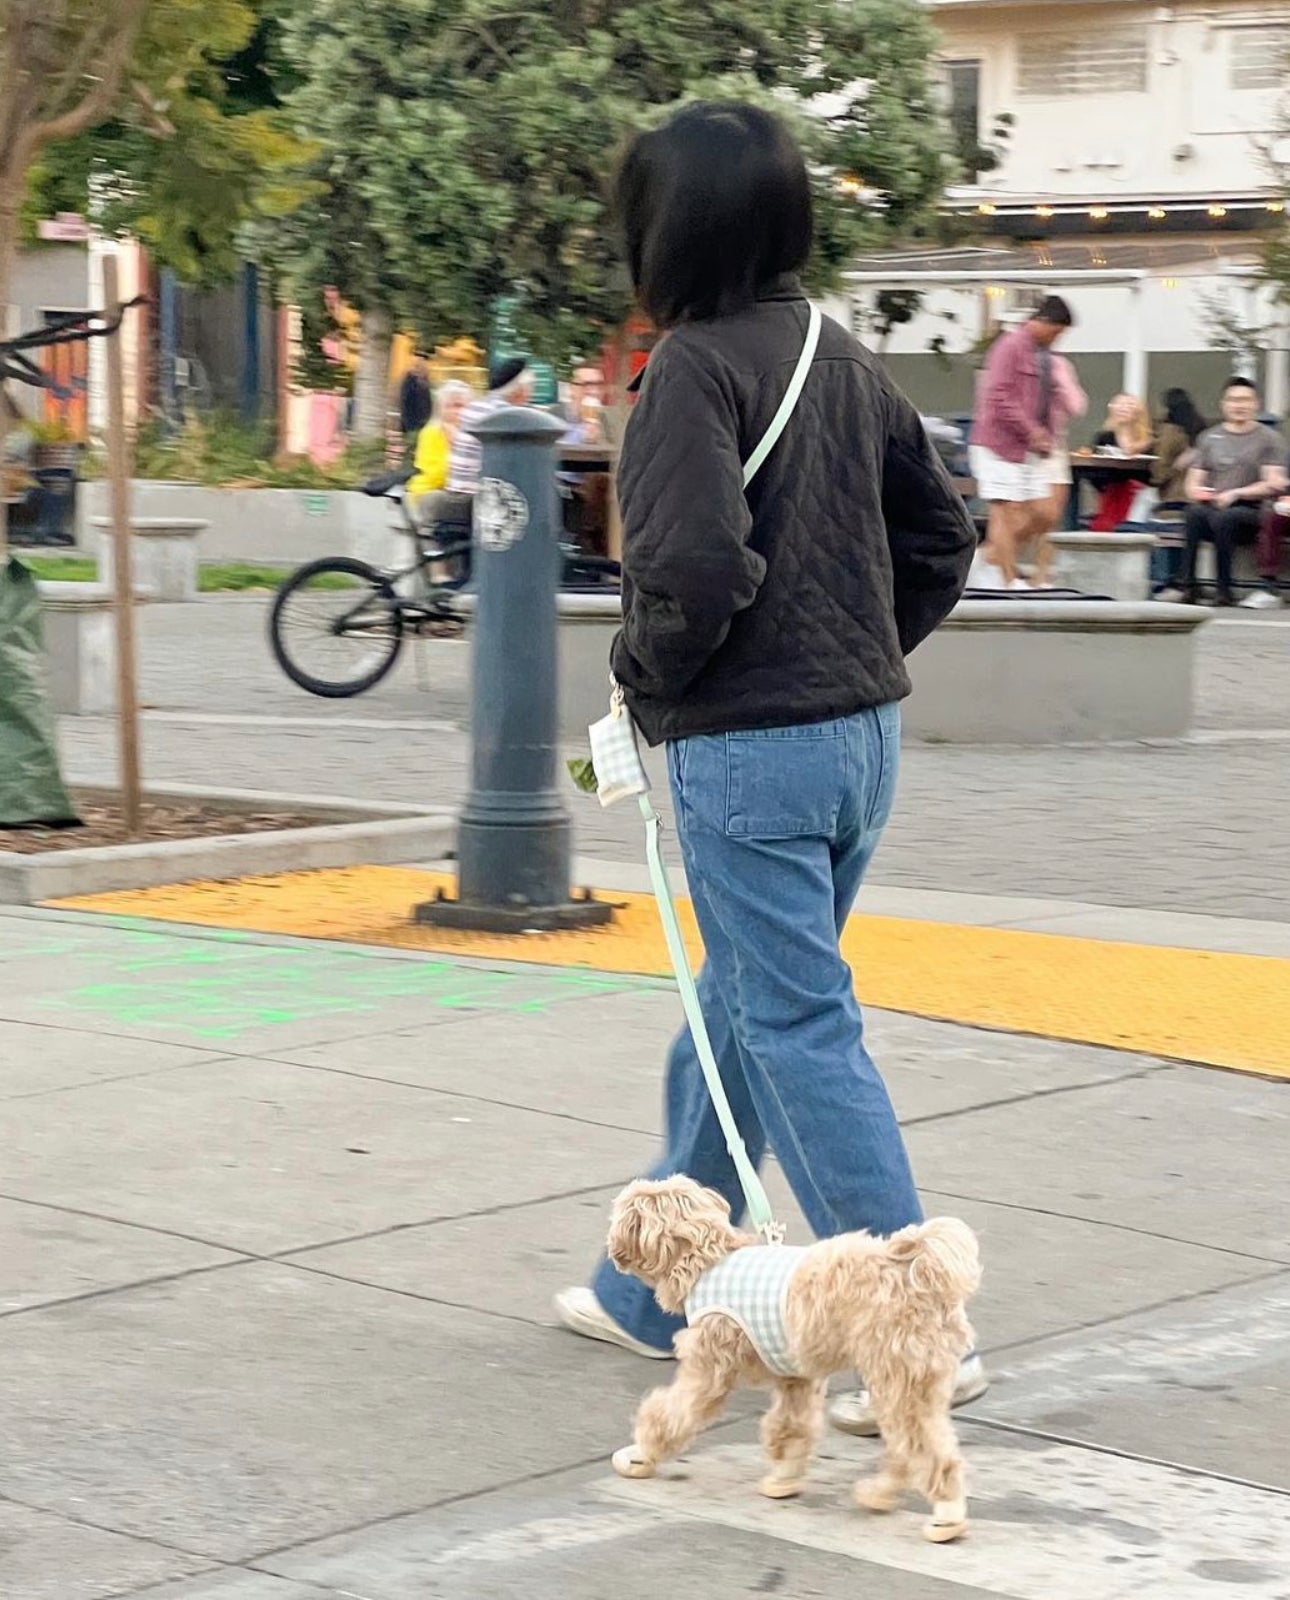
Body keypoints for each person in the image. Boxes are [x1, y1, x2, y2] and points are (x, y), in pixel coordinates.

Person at [552, 101, 984, 1435]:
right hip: (859, 743)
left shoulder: (688, 369)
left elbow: (683, 572)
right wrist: (859, 648)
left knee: (794, 1026)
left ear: (665, 229)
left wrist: (644, 683)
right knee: (745, 1008)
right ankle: (652, 1294)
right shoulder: (838, 355)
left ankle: (915, 1329)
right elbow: (944, 532)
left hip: (753, 754)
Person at [969, 296, 1075, 589]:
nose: (1058, 338)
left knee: (1044, 511)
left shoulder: (1042, 354)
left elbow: (1047, 399)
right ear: (1044, 322)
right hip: (997, 444)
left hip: (1028, 448)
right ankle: (1007, 577)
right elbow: (999, 397)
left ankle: (986, 557)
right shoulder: (1010, 346)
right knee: (1004, 508)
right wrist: (1031, 430)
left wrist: (1045, 434)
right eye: (1058, 331)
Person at [1161, 377, 1286, 606]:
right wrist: (1199, 492)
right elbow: (1193, 480)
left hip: (1253, 509)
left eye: (1245, 400)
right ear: (1223, 404)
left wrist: (1237, 493)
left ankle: (1223, 589)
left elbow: (1272, 483)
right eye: (1233, 400)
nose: (1239, 405)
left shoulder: (1270, 439)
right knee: (1194, 513)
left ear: (1255, 404)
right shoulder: (1209, 437)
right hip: (1216, 504)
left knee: (1226, 517)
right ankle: (1186, 584)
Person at [445, 356, 535, 499]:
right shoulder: (510, 416)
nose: (531, 393)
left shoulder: (475, 406)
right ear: (519, 390)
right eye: (530, 387)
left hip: (457, 491)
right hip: (481, 501)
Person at [406, 379, 472, 529]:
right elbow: (436, 475)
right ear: (440, 409)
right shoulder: (431, 433)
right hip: (431, 491)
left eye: (462, 406)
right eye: (452, 406)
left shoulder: (474, 435)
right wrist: (457, 448)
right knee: (438, 501)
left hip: (462, 493)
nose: (458, 411)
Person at [1087, 394, 1154, 531]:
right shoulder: (1104, 437)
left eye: (1128, 405)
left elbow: (1153, 470)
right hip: (1110, 488)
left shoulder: (1147, 438)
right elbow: (1094, 469)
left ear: (1138, 412)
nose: (1123, 409)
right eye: (1119, 405)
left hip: (1140, 491)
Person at [397, 354, 433, 447]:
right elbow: (405, 400)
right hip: (411, 420)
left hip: (423, 421)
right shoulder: (410, 380)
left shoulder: (425, 381)